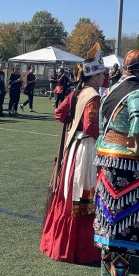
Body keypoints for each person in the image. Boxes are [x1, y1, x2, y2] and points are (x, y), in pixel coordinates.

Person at [94, 42, 139, 276]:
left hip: (107, 163)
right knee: (125, 224)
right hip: (129, 167)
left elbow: (103, 127)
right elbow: (138, 128)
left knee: (110, 220)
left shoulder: (112, 90)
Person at [40, 44, 105, 264]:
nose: (104, 76)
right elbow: (91, 127)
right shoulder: (93, 96)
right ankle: (81, 248)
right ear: (94, 75)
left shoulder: (77, 92)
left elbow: (59, 113)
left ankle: (57, 242)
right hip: (85, 149)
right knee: (82, 194)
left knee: (69, 193)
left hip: (73, 149)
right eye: (101, 73)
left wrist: (71, 125)